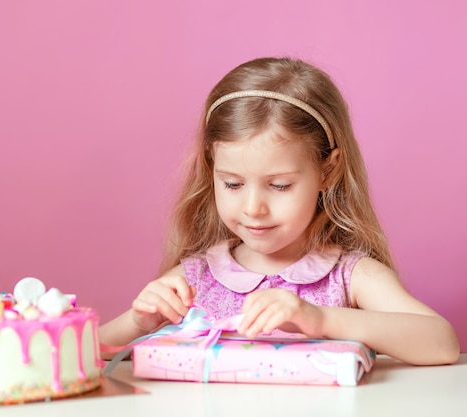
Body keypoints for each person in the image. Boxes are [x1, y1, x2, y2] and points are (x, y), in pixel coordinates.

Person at [100, 57, 459, 365]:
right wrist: (137, 322)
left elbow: (442, 343)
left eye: (279, 186)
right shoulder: (196, 279)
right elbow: (85, 352)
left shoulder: (350, 276)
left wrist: (318, 319)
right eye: (233, 184)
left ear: (328, 171)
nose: (253, 208)